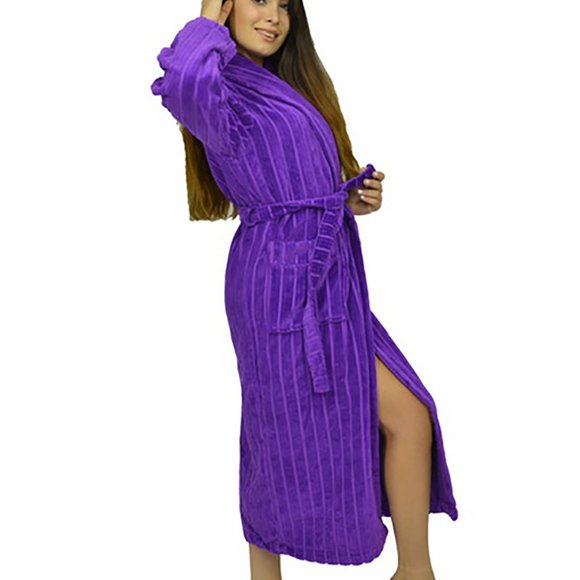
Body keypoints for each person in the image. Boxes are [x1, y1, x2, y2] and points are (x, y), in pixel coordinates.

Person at [150, 1, 459, 578]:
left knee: (408, 415)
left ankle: (415, 572)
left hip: (327, 276)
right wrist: (208, 18)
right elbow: (183, 79)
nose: (273, 16)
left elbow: (295, 181)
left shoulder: (281, 83)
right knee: (276, 428)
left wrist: (349, 199)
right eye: (257, 0)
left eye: (285, 5)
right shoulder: (218, 87)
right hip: (277, 283)